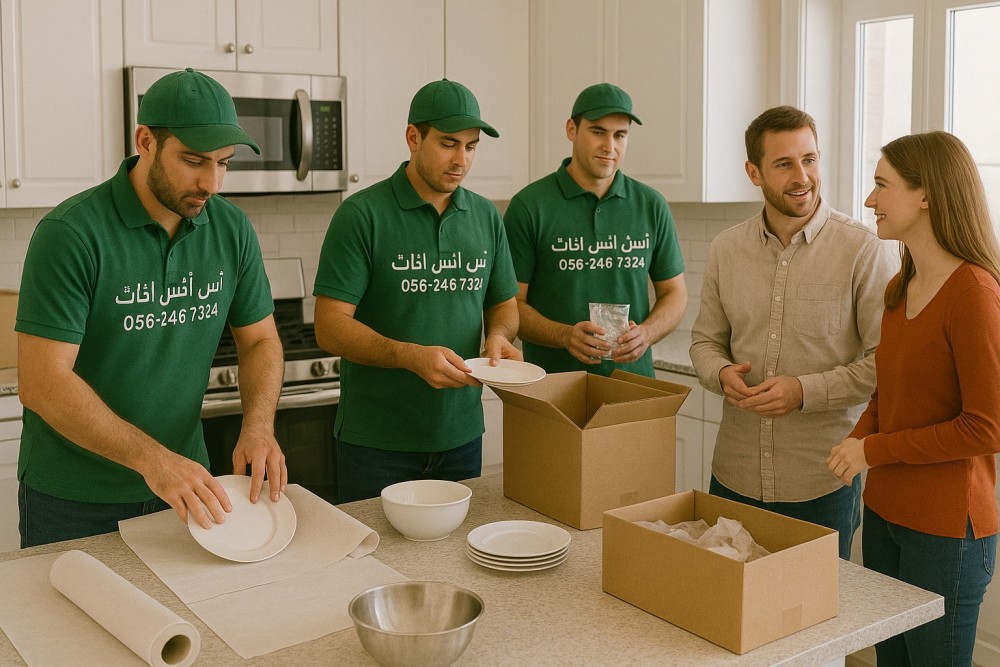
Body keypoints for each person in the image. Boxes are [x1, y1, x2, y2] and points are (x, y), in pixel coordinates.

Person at [14, 68, 287, 548]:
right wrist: (153, 461)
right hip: (74, 499)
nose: (212, 183)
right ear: (145, 141)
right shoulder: (71, 234)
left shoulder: (232, 229)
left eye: (224, 163)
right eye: (194, 161)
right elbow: (42, 381)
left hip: (187, 489)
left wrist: (259, 426)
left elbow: (261, 340)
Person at [689, 105, 898, 559]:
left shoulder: (863, 250)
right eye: (784, 164)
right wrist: (720, 373)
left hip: (821, 483)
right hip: (733, 476)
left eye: (809, 159)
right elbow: (705, 341)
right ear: (754, 172)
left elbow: (885, 365)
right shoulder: (726, 249)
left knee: (816, 605)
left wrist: (804, 392)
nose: (802, 177)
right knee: (725, 599)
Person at [827, 131, 999, 665]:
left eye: (882, 185)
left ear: (925, 194)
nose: (869, 199)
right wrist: (857, 442)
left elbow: (987, 427)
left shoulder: (974, 294)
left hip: (946, 533)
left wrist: (873, 451)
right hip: (884, 514)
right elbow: (888, 390)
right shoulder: (901, 286)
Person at [313, 79, 520, 503]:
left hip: (462, 435)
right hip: (376, 443)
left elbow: (504, 305)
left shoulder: (486, 217)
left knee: (456, 548)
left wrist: (500, 336)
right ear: (413, 137)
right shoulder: (361, 215)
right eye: (448, 143)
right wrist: (409, 356)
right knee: (373, 548)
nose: (461, 159)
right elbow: (329, 326)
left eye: (471, 146)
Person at [503, 83, 686, 377]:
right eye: (598, 132)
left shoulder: (651, 205)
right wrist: (564, 335)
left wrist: (647, 333)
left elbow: (675, 293)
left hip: (633, 385)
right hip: (551, 386)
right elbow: (510, 306)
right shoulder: (530, 206)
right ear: (571, 130)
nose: (609, 146)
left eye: (620, 135)